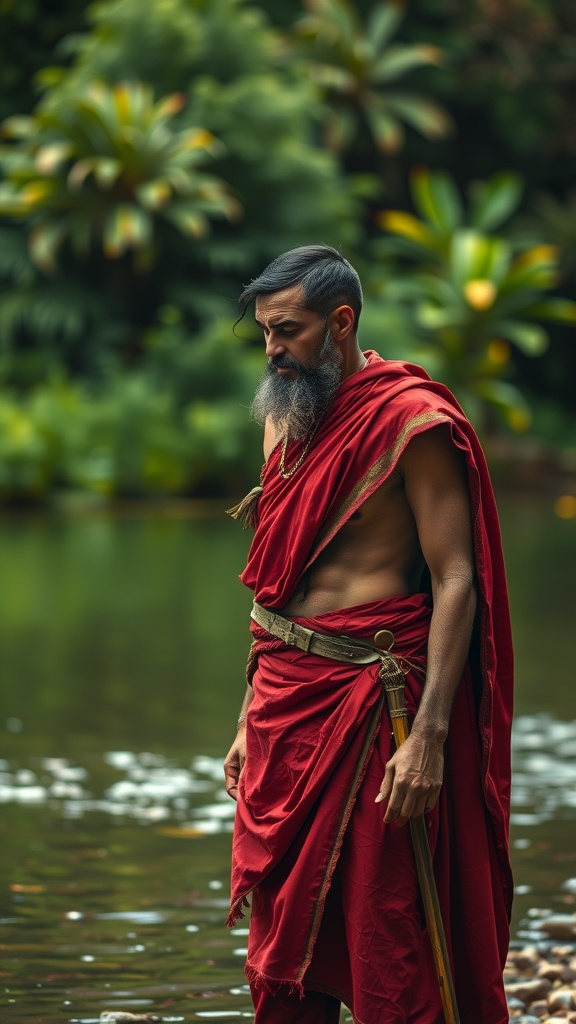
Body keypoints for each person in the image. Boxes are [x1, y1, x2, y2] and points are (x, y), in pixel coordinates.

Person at [224, 245, 513, 1024]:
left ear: (341, 323)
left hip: (371, 705)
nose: (273, 349)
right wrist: (247, 719)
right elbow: (275, 587)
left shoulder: (412, 423)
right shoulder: (285, 417)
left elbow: (457, 579)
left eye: (289, 330)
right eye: (265, 332)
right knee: (282, 938)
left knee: (385, 925)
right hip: (284, 701)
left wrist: (429, 735)